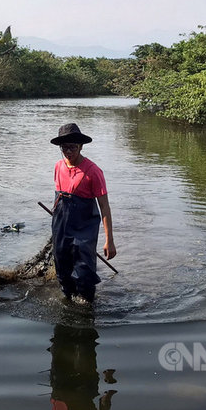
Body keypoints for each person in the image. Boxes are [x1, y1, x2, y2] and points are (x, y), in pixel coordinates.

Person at [50, 123, 116, 303]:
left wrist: (109, 240)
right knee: (62, 270)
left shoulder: (93, 172)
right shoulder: (58, 167)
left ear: (81, 146)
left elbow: (104, 207)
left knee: (84, 272)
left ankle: (87, 306)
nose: (68, 151)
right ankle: (68, 300)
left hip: (84, 229)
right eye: (64, 147)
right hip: (61, 227)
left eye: (72, 147)